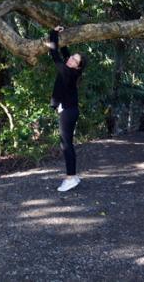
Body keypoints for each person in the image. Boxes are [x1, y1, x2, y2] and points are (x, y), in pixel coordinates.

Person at [47, 25, 87, 192]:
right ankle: (73, 175)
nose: (70, 60)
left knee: (66, 144)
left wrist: (53, 33)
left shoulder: (68, 72)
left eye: (74, 60)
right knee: (67, 143)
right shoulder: (71, 70)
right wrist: (62, 39)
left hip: (68, 111)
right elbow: (64, 54)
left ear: (78, 66)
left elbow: (54, 54)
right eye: (72, 58)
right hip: (70, 110)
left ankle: (70, 177)